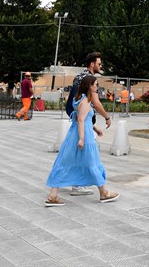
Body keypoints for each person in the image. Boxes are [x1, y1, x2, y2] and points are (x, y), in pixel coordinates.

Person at [44, 75, 119, 206]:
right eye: (95, 84)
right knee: (92, 162)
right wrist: (82, 139)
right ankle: (104, 192)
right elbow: (80, 120)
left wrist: (95, 128)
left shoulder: (80, 99)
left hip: (75, 135)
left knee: (64, 162)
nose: (97, 86)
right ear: (89, 86)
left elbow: (82, 119)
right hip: (83, 136)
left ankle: (53, 195)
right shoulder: (85, 102)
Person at [65, 52, 111, 196]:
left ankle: (79, 183)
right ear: (92, 64)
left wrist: (92, 125)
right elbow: (95, 103)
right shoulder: (89, 79)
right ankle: (95, 189)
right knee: (89, 154)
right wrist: (107, 117)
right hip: (82, 121)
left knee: (81, 154)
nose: (100, 66)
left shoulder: (79, 76)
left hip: (78, 119)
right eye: (99, 63)